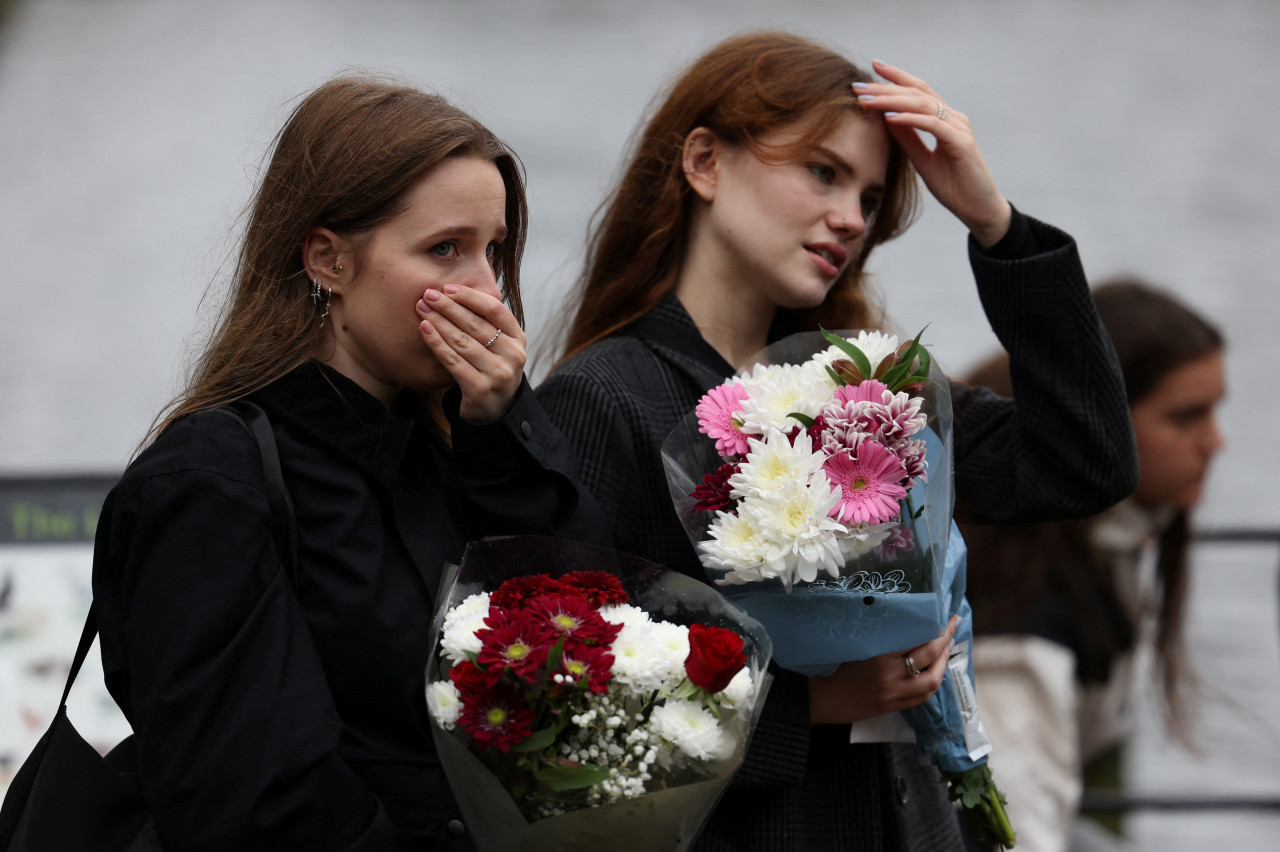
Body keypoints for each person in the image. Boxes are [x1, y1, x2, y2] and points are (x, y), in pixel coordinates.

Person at [536, 31, 1138, 851]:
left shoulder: (866, 384)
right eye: (823, 172)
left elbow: (1085, 463)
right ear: (704, 162)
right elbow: (566, 714)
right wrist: (808, 707)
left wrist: (995, 226)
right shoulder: (600, 400)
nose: (850, 219)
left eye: (870, 198)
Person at [90, 75, 601, 850]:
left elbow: (591, 631)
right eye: (444, 250)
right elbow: (254, 803)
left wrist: (503, 428)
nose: (487, 291)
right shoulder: (209, 482)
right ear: (328, 260)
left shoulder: (454, 445)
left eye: (494, 251)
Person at [961, 279, 1226, 852]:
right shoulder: (1022, 601)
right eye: (1187, 417)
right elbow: (1018, 828)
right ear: (1103, 423)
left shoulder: (1112, 540)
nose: (1216, 441)